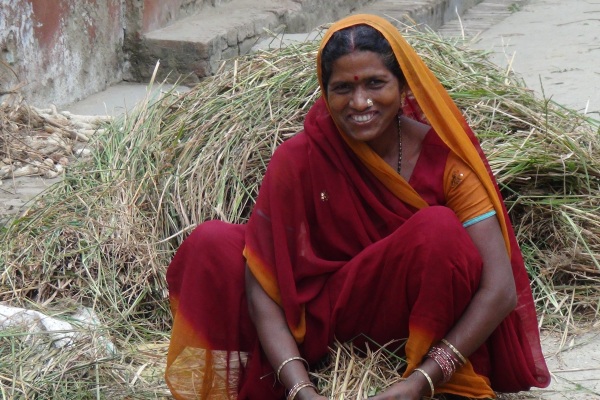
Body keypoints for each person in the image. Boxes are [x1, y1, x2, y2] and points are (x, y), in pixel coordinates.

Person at [165, 14, 551, 400]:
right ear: (325, 91)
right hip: (313, 323)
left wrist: (422, 382)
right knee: (213, 242)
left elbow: (499, 290)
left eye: (375, 83)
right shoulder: (300, 157)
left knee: (438, 229)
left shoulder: (446, 163)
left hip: (403, 324)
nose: (360, 102)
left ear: (403, 86)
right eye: (342, 88)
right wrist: (300, 388)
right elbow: (262, 285)